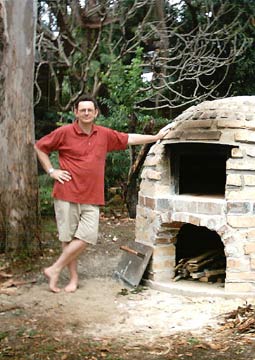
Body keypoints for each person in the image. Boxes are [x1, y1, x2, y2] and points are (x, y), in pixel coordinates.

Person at [34, 94, 170, 293]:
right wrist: (51, 171)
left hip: (92, 195)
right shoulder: (64, 132)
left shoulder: (103, 134)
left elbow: (128, 138)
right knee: (68, 238)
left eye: (90, 110)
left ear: (96, 112)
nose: (86, 113)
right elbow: (40, 147)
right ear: (76, 113)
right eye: (82, 110)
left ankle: (54, 269)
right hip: (66, 192)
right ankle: (72, 279)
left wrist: (155, 138)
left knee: (88, 236)